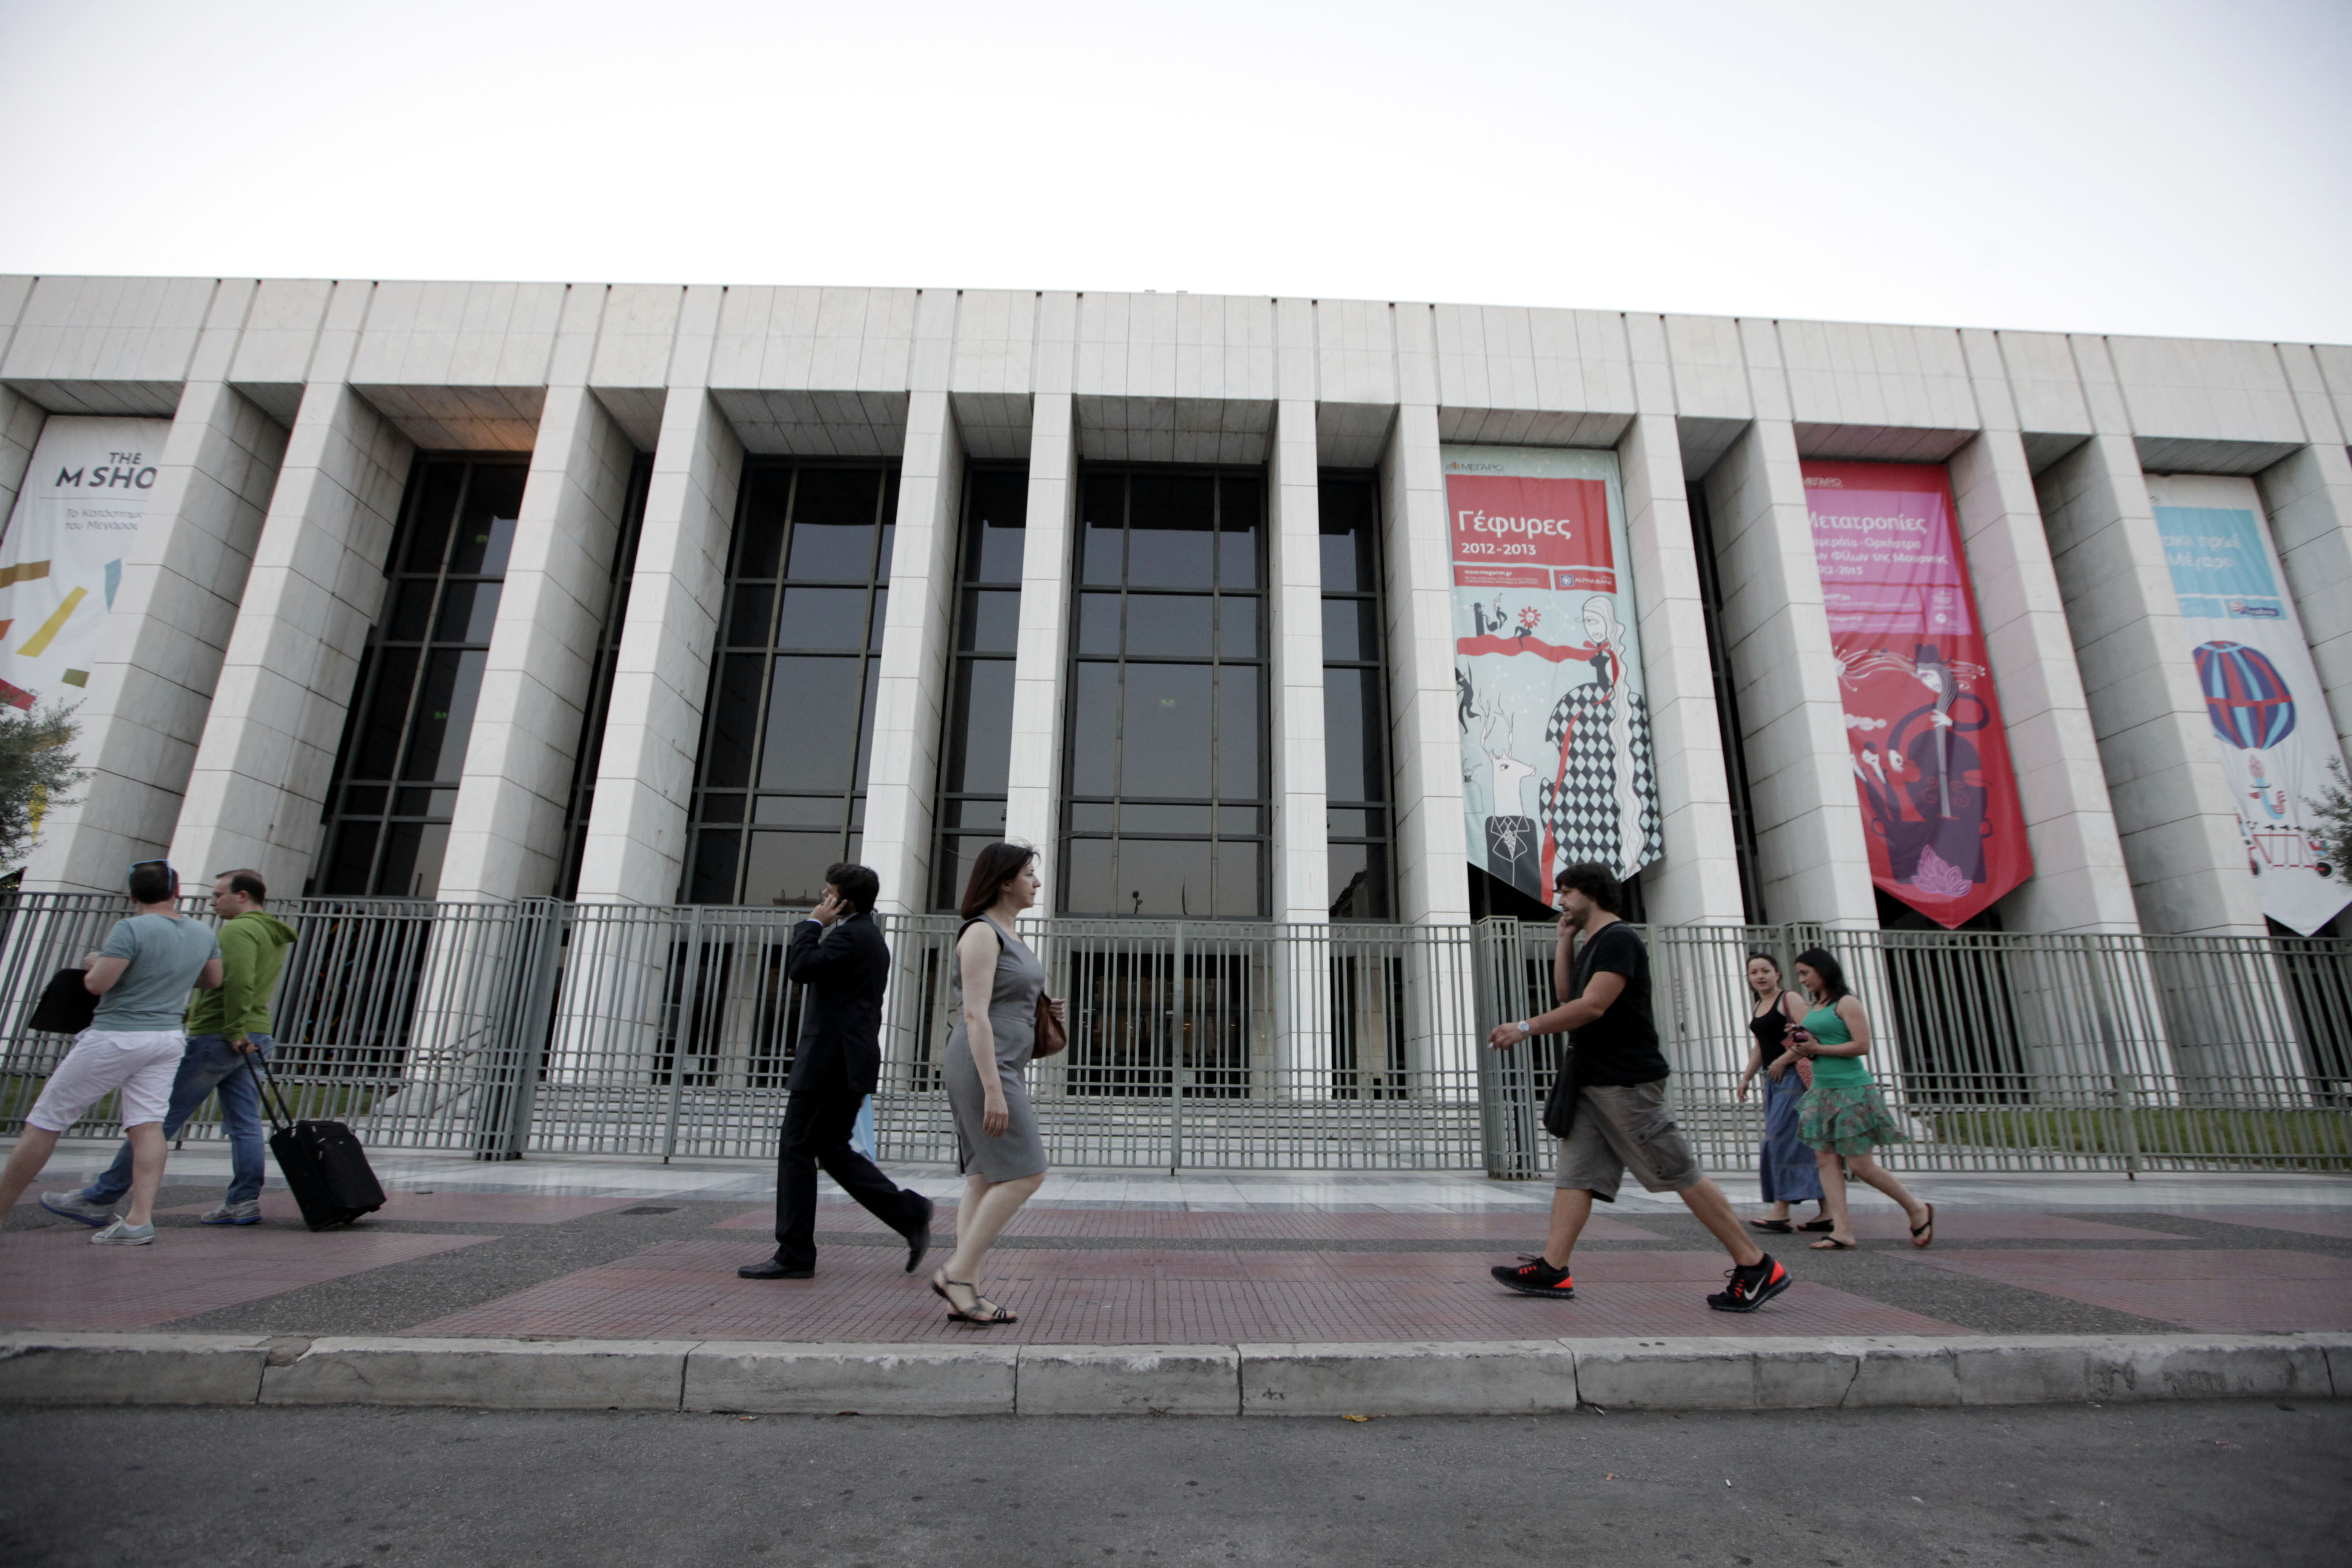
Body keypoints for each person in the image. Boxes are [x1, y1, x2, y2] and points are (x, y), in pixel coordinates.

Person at [1484, 862, 1791, 1312]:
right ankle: (1554, 1268)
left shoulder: (1619, 940)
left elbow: (1593, 1007)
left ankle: (1757, 1264)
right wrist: (1565, 941)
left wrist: (1525, 1027)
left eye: (1567, 892)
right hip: (1591, 1080)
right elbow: (1567, 995)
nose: (1561, 901)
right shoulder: (1592, 942)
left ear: (1591, 893)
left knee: (1678, 1171)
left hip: (1626, 1080)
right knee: (1576, 1176)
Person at [44, 869, 296, 1228]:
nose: (212, 902)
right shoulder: (273, 932)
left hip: (221, 1036)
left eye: (219, 895)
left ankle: (99, 1198)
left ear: (243, 896)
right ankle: (243, 1201)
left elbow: (236, 983)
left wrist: (231, 1029)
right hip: (256, 1033)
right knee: (245, 1124)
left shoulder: (238, 930)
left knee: (156, 1120)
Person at [0, 861, 223, 1245]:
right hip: (167, 1038)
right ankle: (139, 1220)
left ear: (132, 895)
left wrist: (93, 963)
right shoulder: (203, 932)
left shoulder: (130, 929)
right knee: (148, 1125)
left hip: (116, 1036)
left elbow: (99, 984)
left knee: (46, 1122)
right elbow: (213, 979)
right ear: (177, 892)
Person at [737, 862, 934, 1281]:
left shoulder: (850, 936)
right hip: (847, 1062)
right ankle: (908, 1212)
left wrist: (812, 924)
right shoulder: (867, 937)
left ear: (844, 901)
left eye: (829, 894)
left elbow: (800, 968)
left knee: (796, 1148)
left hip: (830, 1063)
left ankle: (795, 1253)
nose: (823, 899)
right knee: (832, 1150)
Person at [931, 841, 1060, 1326]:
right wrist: (993, 1089)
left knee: (984, 1178)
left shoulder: (1010, 934)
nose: (1036, 882)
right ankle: (956, 1274)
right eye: (1028, 874)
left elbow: (1005, 998)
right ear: (1005, 882)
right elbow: (974, 1014)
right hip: (986, 1066)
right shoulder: (982, 933)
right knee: (1027, 1173)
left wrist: (1041, 1007)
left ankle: (964, 1293)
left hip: (1003, 1062)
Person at [1785, 947, 1936, 1250]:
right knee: (1825, 1159)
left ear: (1823, 970)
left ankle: (1917, 1209)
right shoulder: (1815, 1007)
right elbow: (1821, 1044)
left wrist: (1818, 1048)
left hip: (1852, 1091)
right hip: (1822, 1091)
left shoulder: (1846, 1002)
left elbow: (1862, 1045)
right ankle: (1842, 1230)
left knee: (1860, 1164)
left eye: (1805, 973)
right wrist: (1804, 1043)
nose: (1802, 980)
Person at [1733, 949, 1829, 1235]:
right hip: (1773, 1082)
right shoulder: (1759, 1005)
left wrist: (1783, 1060)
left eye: (1765, 970)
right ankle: (1828, 1212)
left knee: (1780, 1140)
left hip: (1794, 1080)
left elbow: (1808, 1036)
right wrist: (1747, 1077)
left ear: (1777, 973)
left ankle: (1781, 1210)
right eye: (1754, 972)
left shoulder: (1790, 999)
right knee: (1801, 1142)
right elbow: (1761, 1045)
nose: (1760, 976)